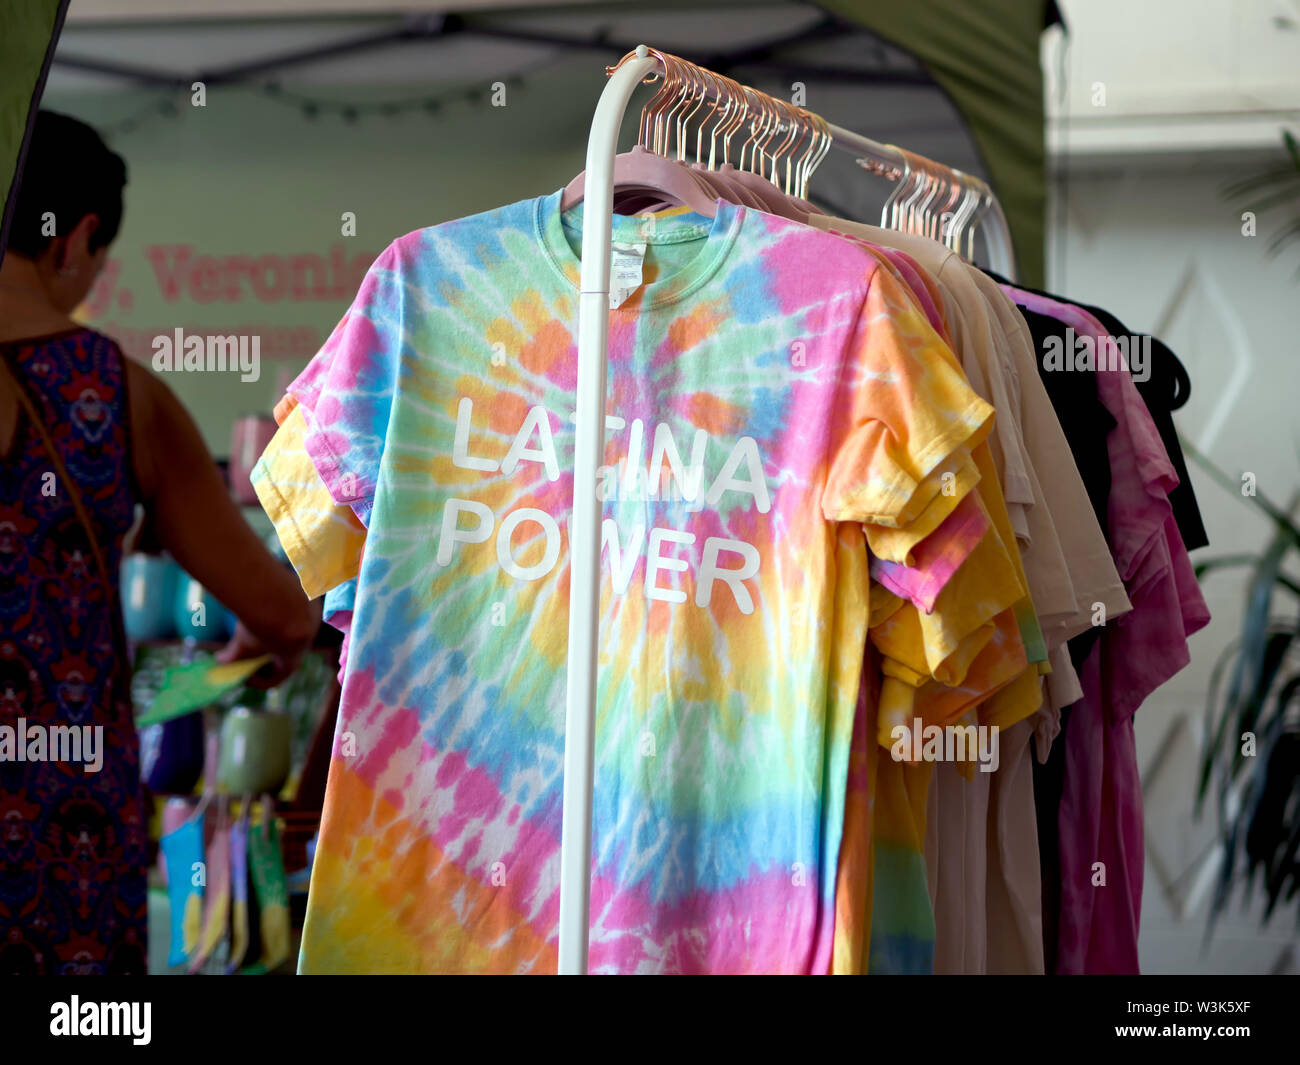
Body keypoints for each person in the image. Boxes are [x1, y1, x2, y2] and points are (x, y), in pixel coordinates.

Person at [0, 111, 317, 974]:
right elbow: (281, 616)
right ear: (78, 238)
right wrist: (264, 645)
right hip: (60, 837)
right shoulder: (115, 393)